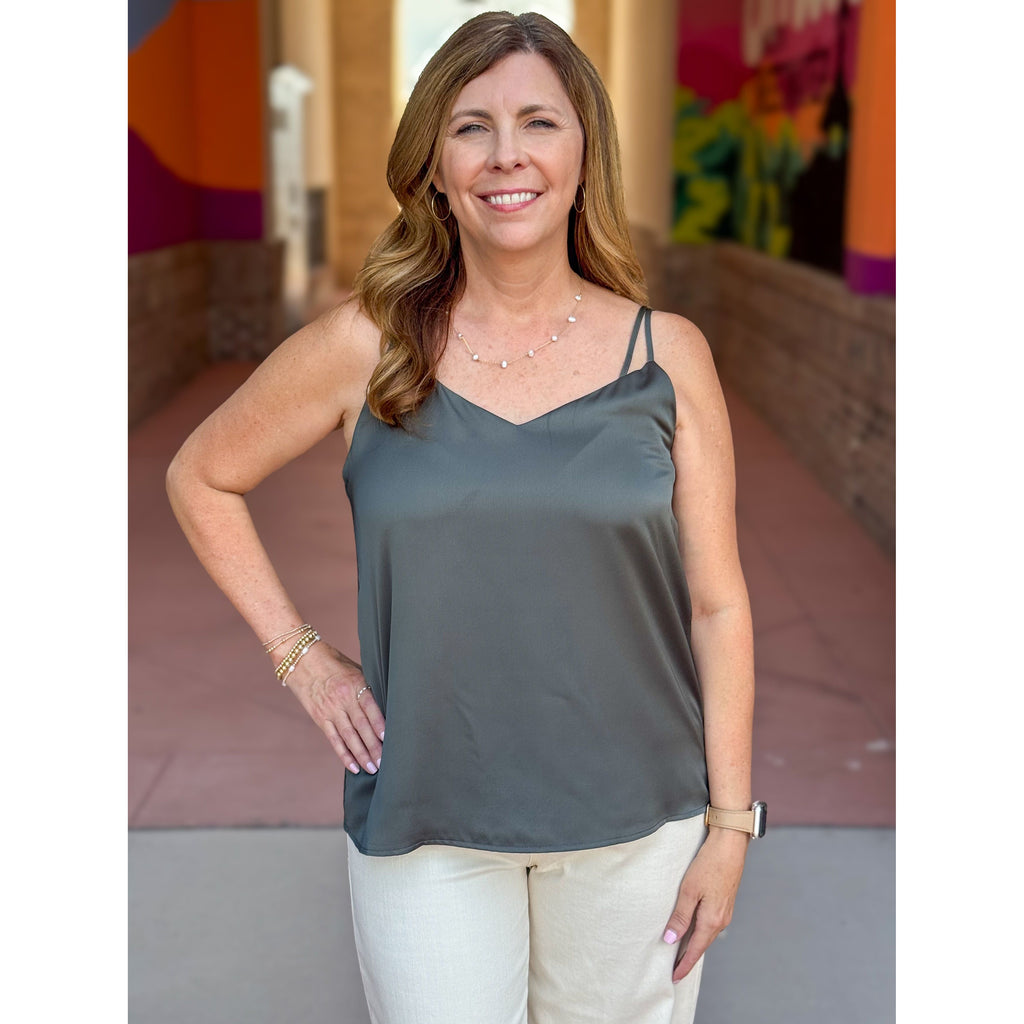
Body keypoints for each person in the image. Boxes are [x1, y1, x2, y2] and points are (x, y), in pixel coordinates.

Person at [167, 11, 761, 1024]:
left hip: (638, 825)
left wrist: (729, 826)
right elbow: (201, 475)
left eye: (539, 122)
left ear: (585, 155)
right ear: (434, 167)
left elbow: (717, 605)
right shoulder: (365, 346)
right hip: (425, 819)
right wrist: (300, 656)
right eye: (471, 126)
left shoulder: (668, 357)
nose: (505, 155)